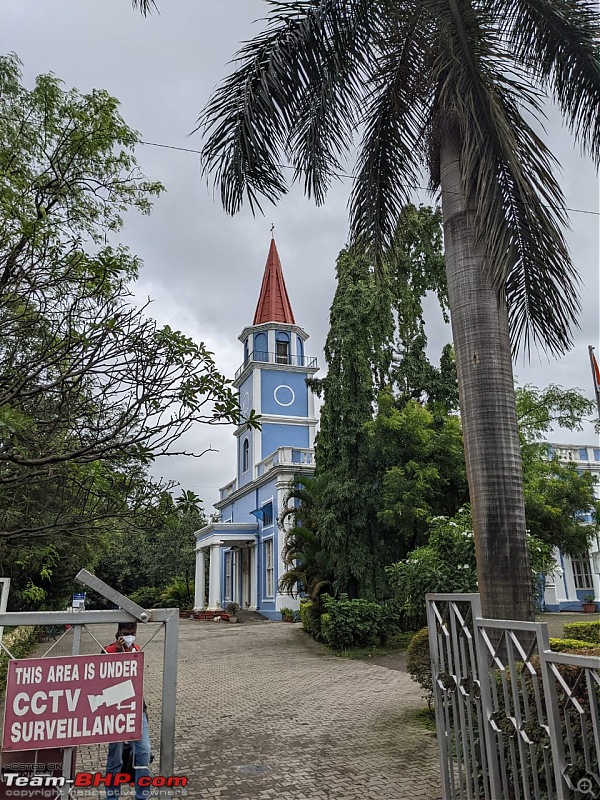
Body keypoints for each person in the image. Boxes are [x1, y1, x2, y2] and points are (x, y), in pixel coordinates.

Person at [103, 622, 151, 800]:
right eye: (126, 633)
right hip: (115, 711)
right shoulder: (108, 651)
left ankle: (142, 796)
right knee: (115, 758)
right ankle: (112, 796)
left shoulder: (136, 649)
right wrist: (117, 652)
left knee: (144, 753)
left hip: (136, 709)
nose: (130, 636)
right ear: (119, 633)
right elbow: (102, 676)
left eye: (133, 632)